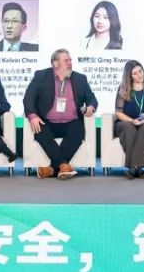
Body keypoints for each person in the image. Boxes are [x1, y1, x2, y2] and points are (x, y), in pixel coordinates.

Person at [22, 49, 98, 179]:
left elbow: (91, 98)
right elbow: (28, 98)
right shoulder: (41, 76)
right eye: (66, 60)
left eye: (70, 60)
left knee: (77, 131)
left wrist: (91, 107)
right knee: (40, 131)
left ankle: (51, 169)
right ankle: (63, 166)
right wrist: (33, 116)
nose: (70, 63)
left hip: (71, 122)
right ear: (56, 63)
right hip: (47, 121)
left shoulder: (80, 78)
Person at [114, 60, 144, 179]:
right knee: (128, 128)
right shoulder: (123, 88)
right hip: (127, 122)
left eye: (140, 71)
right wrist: (131, 121)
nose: (139, 75)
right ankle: (138, 168)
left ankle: (133, 167)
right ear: (129, 76)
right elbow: (118, 112)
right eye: (135, 73)